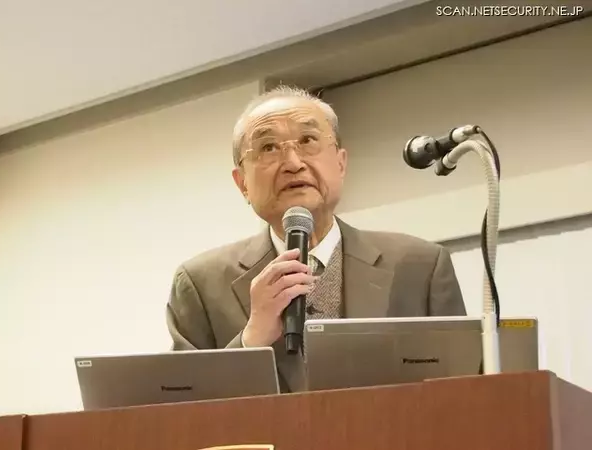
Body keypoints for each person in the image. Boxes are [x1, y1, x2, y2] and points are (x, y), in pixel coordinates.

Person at [166, 85, 466, 392]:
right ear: (242, 183)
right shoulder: (200, 284)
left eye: (308, 141)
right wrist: (250, 340)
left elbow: (463, 393)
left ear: (341, 163)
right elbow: (182, 409)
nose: (293, 163)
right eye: (268, 147)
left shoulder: (421, 267)